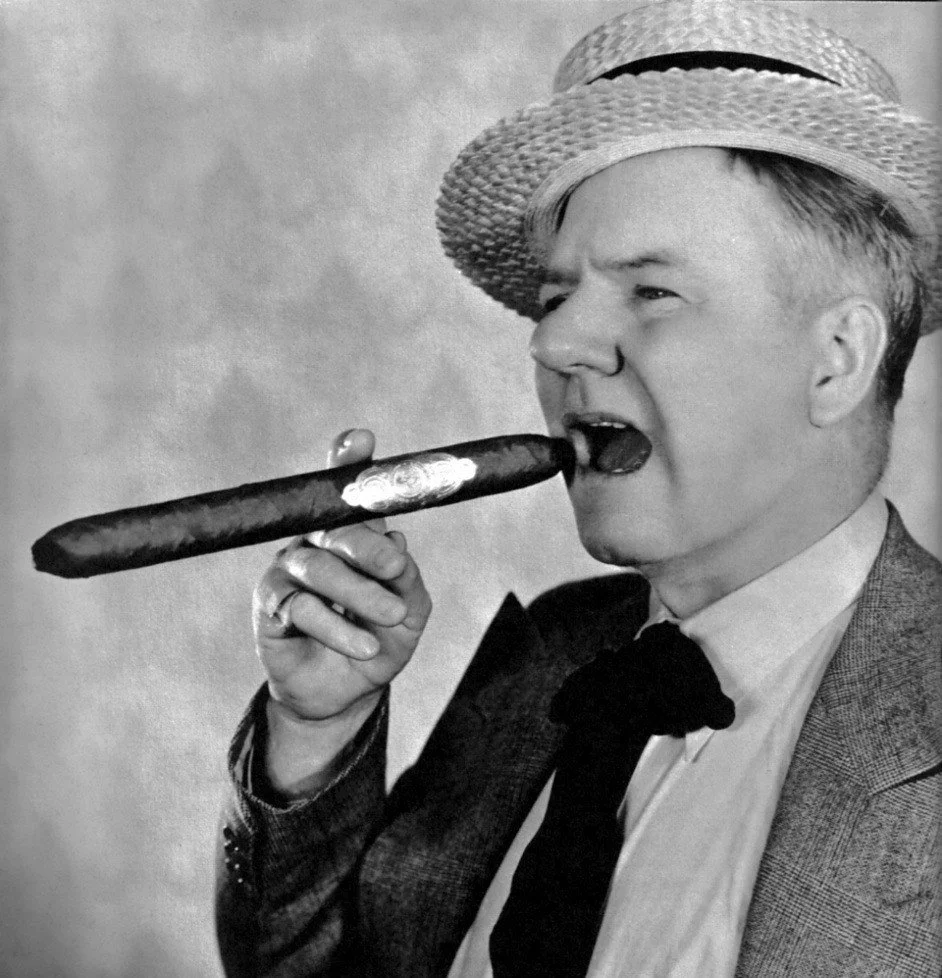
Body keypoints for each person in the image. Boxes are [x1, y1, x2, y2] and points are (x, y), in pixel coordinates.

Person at [215, 2, 940, 976]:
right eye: (557, 297)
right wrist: (317, 729)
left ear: (837, 360)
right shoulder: (550, 652)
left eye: (652, 291)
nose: (553, 343)